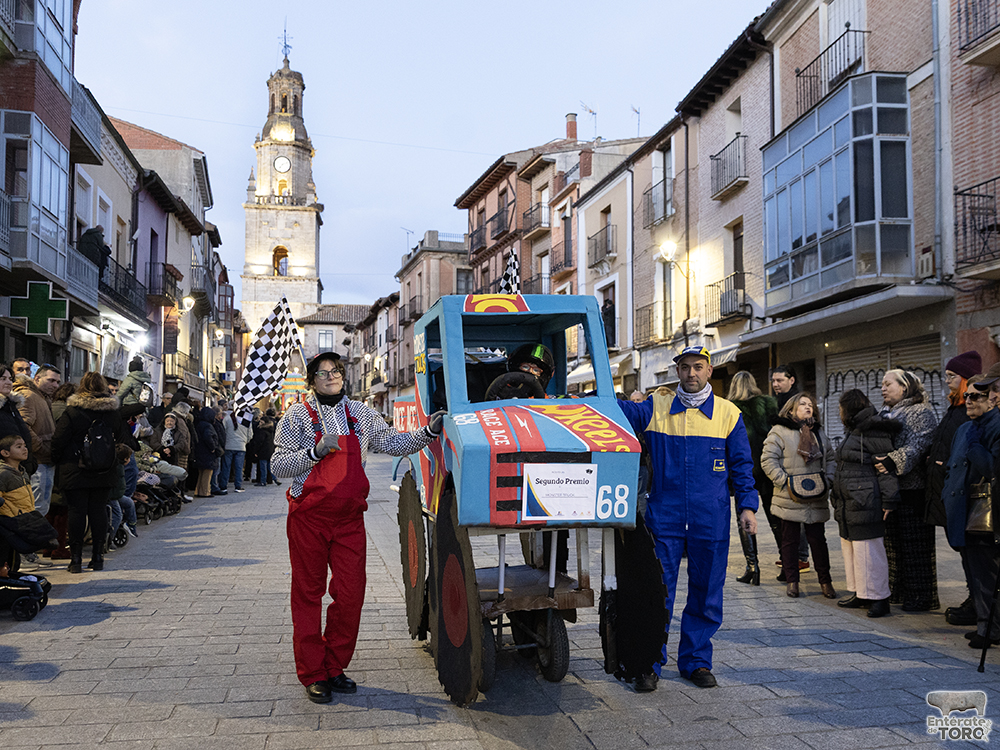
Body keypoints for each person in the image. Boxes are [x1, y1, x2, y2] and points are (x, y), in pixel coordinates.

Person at [272, 351, 443, 704]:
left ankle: (335, 666)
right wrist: (315, 452)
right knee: (307, 594)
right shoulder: (296, 416)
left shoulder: (361, 413)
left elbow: (393, 442)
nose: (331, 376)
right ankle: (313, 673)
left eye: (336, 371)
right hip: (309, 517)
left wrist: (428, 432)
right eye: (323, 373)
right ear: (312, 380)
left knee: (351, 595)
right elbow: (277, 465)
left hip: (349, 518)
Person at [617, 346, 758, 690]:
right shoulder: (656, 407)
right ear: (676, 372)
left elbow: (742, 466)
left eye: (698, 367)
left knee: (706, 591)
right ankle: (648, 663)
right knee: (656, 592)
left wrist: (748, 507)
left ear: (710, 371)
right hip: (663, 516)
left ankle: (696, 662)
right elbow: (616, 409)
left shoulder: (728, 414)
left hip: (710, 518)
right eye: (685, 367)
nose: (691, 373)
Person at [831, 389, 901, 618]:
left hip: (865, 499)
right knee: (853, 548)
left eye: (841, 408)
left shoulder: (873, 430)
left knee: (870, 551)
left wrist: (890, 500)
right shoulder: (855, 430)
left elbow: (885, 468)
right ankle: (861, 592)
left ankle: (879, 598)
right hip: (850, 501)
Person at [941, 375, 1000, 649]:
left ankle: (990, 629)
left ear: (992, 399)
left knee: (986, 574)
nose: (969, 401)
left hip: (986, 514)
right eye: (967, 396)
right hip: (963, 511)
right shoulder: (965, 428)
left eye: (976, 396)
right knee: (974, 571)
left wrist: (976, 446)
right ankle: (984, 624)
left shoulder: (994, 425)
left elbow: (992, 468)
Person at [761, 392, 836, 599]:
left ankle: (825, 581)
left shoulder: (818, 432)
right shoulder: (780, 431)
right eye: (802, 404)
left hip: (816, 495)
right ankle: (792, 581)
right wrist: (784, 481)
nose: (808, 407)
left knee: (818, 541)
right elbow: (768, 460)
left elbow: (830, 458)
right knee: (789, 540)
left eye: (810, 404)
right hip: (789, 496)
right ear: (791, 409)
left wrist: (828, 479)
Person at [876, 369, 939, 612]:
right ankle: (899, 591)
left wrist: (892, 460)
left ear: (904, 387)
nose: (883, 388)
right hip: (890, 490)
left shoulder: (921, 411)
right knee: (895, 546)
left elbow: (920, 443)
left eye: (888, 384)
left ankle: (920, 596)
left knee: (915, 547)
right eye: (881, 384)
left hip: (913, 489)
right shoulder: (884, 413)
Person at [929, 354, 984, 627]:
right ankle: (974, 599)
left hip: (966, 492)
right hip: (951, 489)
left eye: (952, 376)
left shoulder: (970, 412)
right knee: (963, 548)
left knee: (971, 549)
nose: (947, 381)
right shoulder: (955, 407)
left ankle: (978, 603)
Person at [50, 371, 124, 573]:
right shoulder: (113, 411)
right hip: (105, 469)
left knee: (76, 512)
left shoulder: (73, 411)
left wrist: (57, 459)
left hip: (75, 468)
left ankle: (75, 560)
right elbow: (118, 435)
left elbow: (59, 439)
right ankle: (98, 557)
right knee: (99, 511)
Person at [727, 371, 779, 585]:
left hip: (743, 471)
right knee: (775, 516)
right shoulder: (768, 404)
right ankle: (788, 564)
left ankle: (753, 567)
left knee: (744, 517)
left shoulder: (729, 408)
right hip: (767, 469)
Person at [14, 364, 61, 518]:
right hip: (38, 462)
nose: (55, 385)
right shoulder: (28, 396)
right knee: (37, 508)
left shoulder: (41, 397)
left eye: (57, 382)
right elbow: (23, 427)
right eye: (51, 380)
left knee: (41, 507)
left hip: (44, 460)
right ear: (37, 378)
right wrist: (40, 447)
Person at [0, 434, 36, 577]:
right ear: (5, 453)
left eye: (25, 446)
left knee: (14, 561)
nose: (24, 449)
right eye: (19, 446)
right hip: (8, 524)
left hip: (20, 522)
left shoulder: (21, 471)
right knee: (7, 562)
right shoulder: (3, 474)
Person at [0, 364, 34, 476]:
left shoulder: (11, 406)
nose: (8, 383)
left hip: (18, 468)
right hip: (5, 470)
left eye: (10, 379)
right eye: (3, 379)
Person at [192, 406, 221, 498]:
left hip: (200, 450)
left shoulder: (199, 424)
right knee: (207, 473)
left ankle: (198, 490)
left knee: (201, 472)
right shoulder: (208, 425)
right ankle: (205, 492)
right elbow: (208, 436)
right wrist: (212, 447)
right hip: (207, 452)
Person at [254, 408, 278, 487]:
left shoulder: (262, 430)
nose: (260, 423)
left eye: (261, 422)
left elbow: (259, 442)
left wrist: (256, 451)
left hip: (263, 451)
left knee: (263, 467)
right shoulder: (270, 429)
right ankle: (275, 478)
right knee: (269, 467)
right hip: (270, 449)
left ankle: (263, 481)